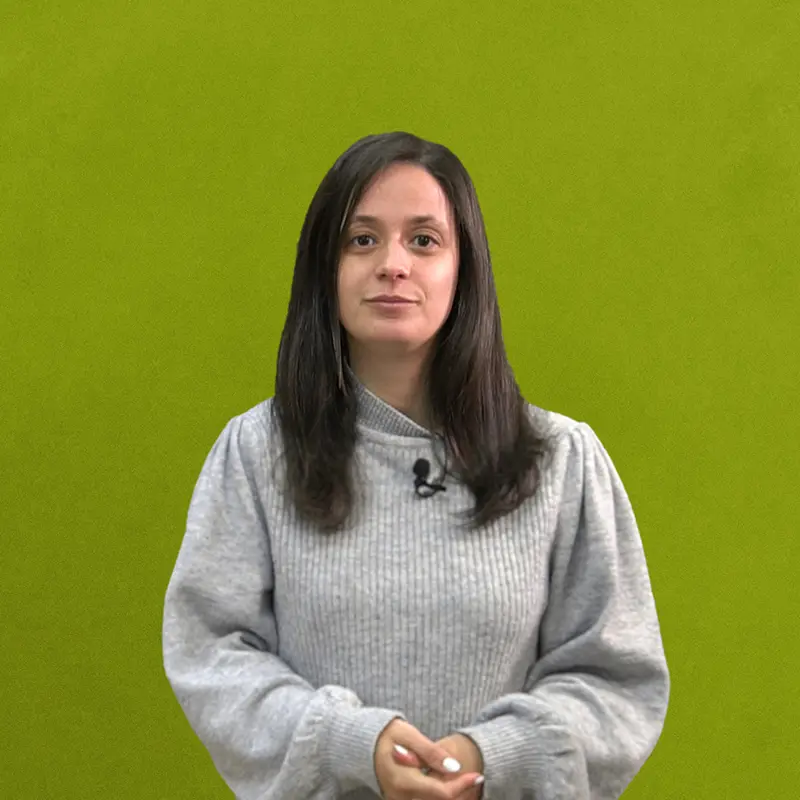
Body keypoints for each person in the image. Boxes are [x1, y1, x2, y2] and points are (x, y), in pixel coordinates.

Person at [162, 131, 670, 800]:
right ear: (324, 268)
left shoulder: (560, 460)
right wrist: (352, 745)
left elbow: (616, 677)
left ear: (465, 269)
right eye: (362, 240)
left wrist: (489, 757)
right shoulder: (257, 453)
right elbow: (211, 653)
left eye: (424, 240)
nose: (393, 265)